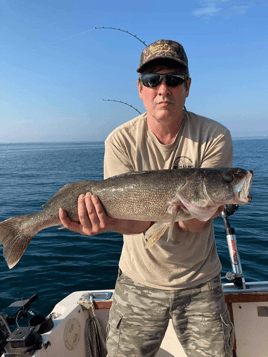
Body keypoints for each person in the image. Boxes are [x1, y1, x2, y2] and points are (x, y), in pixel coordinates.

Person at [59, 40, 234, 357]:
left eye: (174, 79)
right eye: (153, 80)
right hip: (137, 281)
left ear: (187, 86)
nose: (163, 89)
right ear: (140, 88)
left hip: (201, 281)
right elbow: (136, 222)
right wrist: (108, 222)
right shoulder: (120, 140)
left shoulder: (214, 136)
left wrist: (200, 208)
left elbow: (194, 226)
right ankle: (24, 228)